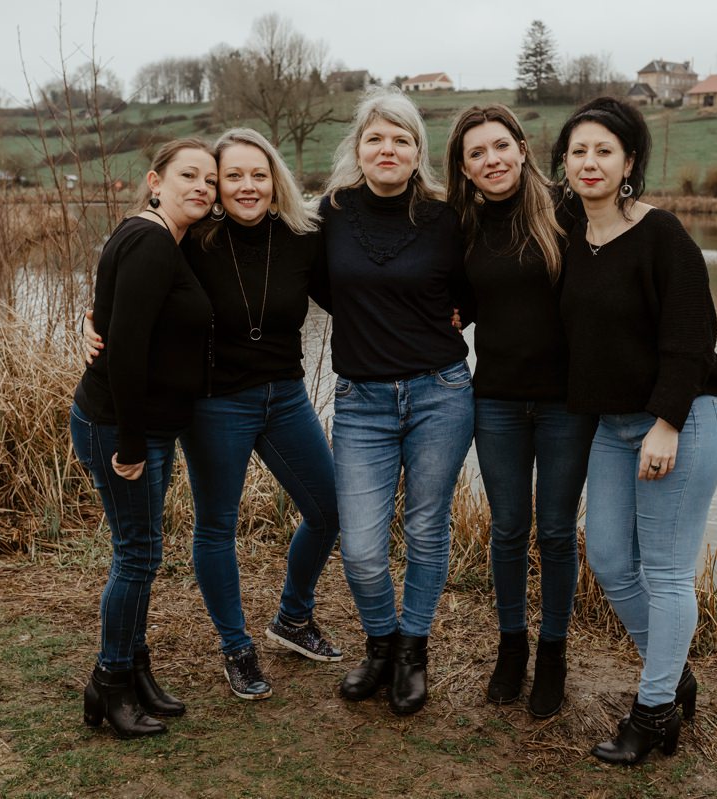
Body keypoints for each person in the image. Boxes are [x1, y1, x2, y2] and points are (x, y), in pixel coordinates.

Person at [84, 128, 341, 702]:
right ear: (217, 187)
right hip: (216, 404)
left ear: (275, 180)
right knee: (217, 526)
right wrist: (91, 318)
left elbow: (351, 296)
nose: (247, 186)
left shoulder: (302, 237)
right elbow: (127, 280)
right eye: (233, 176)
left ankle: (293, 617)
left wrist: (440, 311)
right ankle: (236, 647)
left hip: (286, 397)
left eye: (259, 175)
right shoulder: (191, 240)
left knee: (329, 509)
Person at [552, 97, 717, 764]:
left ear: (629, 162)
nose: (590, 162)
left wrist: (667, 423)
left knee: (666, 572)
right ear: (564, 163)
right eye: (578, 151)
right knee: (607, 558)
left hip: (683, 420)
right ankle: (672, 671)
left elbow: (692, 339)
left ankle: (654, 713)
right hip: (613, 426)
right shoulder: (570, 234)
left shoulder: (662, 235)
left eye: (604, 150)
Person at [322, 87, 474, 715]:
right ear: (358, 149)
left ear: (418, 152)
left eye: (401, 139)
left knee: (426, 528)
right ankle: (380, 643)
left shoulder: (448, 217)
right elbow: (310, 282)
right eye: (376, 138)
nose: (388, 149)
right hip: (361, 402)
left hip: (441, 394)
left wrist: (457, 316)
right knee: (360, 548)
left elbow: (479, 286)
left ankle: (413, 650)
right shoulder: (329, 214)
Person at [443, 105, 596, 718]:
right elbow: (462, 300)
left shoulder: (566, 211)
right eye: (477, 153)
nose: (492, 160)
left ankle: (553, 653)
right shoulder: (464, 226)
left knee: (556, 531)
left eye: (501, 146)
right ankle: (512, 647)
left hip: (565, 403)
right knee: (508, 529)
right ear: (464, 168)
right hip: (497, 400)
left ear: (523, 147)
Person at [70, 137, 217, 738]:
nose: (203, 187)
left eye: (210, 179)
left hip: (140, 425)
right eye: (189, 175)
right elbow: (126, 351)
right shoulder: (151, 242)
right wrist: (129, 444)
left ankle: (135, 670)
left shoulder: (161, 239)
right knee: (136, 555)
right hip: (120, 427)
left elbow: (116, 318)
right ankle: (109, 683)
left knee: (141, 552)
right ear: (156, 181)